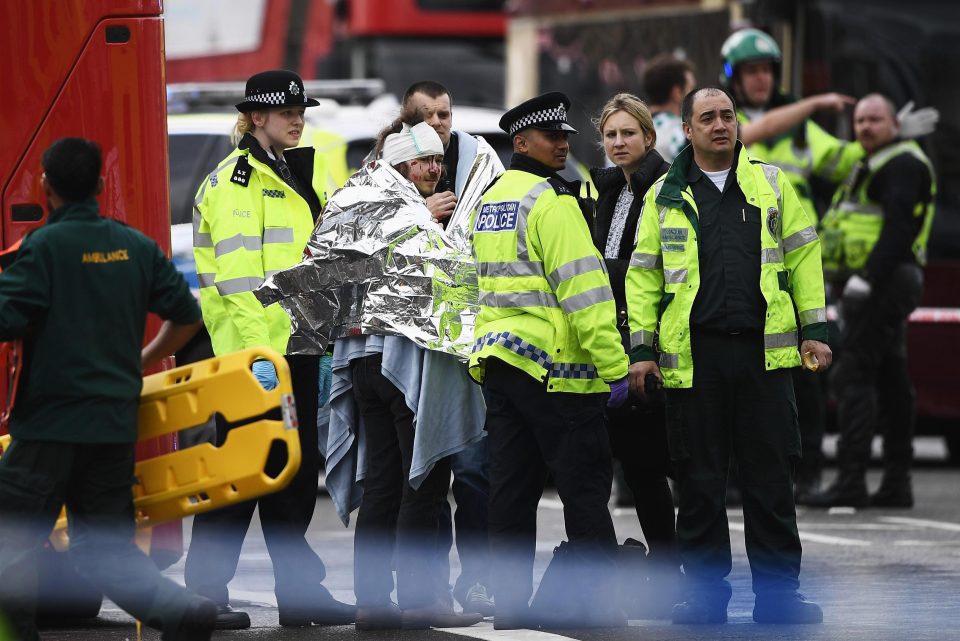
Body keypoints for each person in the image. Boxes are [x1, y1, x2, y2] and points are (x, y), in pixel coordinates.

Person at [625, 87, 833, 625]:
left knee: (770, 484)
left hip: (765, 357)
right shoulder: (663, 196)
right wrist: (642, 351)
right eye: (707, 118)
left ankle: (779, 597)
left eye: (728, 116)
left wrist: (814, 327)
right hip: (696, 361)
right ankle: (704, 596)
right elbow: (643, 277)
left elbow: (804, 257)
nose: (721, 125)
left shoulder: (771, 183)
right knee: (697, 485)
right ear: (687, 130)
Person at [0, 137, 214, 641]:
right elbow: (186, 315)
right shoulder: (135, 246)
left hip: (48, 428)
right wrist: (135, 362)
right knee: (106, 551)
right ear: (99, 185)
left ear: (44, 186)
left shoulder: (43, 249)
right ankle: (181, 611)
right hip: (113, 424)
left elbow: (6, 320)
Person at [186, 69, 355, 629]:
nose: (297, 118)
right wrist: (263, 360)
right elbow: (239, 285)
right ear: (256, 117)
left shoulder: (291, 173)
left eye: (300, 110)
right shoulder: (236, 184)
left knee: (292, 481)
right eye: (286, 112)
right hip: (253, 360)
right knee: (238, 478)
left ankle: (299, 597)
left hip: (295, 351)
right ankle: (203, 596)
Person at [468, 91, 630, 630]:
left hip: (501, 366)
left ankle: (511, 608)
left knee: (511, 491)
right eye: (551, 137)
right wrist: (615, 368)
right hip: (557, 372)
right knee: (584, 488)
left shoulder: (491, 200)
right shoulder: (551, 203)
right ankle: (598, 607)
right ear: (521, 143)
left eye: (565, 136)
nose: (563, 144)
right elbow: (585, 294)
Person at [325, 120, 482, 631]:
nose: (435, 170)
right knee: (424, 477)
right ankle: (418, 600)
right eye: (424, 162)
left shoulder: (358, 200)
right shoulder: (403, 207)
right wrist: (428, 222)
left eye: (439, 160)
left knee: (383, 484)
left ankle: (372, 601)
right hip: (400, 362)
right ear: (399, 167)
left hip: (362, 360)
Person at [400, 80, 502, 616]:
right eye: (427, 116)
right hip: (413, 345)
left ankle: (478, 581)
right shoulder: (392, 168)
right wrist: (421, 213)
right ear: (408, 123)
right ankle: (428, 587)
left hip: (469, 338)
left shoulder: (481, 162)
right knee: (425, 471)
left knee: (474, 467)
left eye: (445, 114)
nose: (439, 123)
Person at [806, 94, 935, 509]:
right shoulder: (878, 161)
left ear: (895, 124)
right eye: (859, 121)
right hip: (882, 282)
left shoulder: (901, 164)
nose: (864, 128)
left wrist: (868, 277)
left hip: (884, 283)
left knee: (851, 375)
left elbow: (900, 229)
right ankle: (896, 484)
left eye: (874, 120)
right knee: (892, 379)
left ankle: (851, 480)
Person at [586, 93, 679, 609]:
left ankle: (689, 566)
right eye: (611, 135)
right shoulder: (608, 191)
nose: (619, 143)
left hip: (662, 344)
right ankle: (665, 563)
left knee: (676, 463)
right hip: (619, 346)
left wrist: (603, 275)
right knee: (640, 467)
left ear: (649, 136)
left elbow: (654, 270)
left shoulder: (665, 190)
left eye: (628, 133)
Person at [644, 54, 697, 163]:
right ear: (677, 93)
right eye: (691, 89)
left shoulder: (624, 133)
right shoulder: (681, 132)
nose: (696, 96)